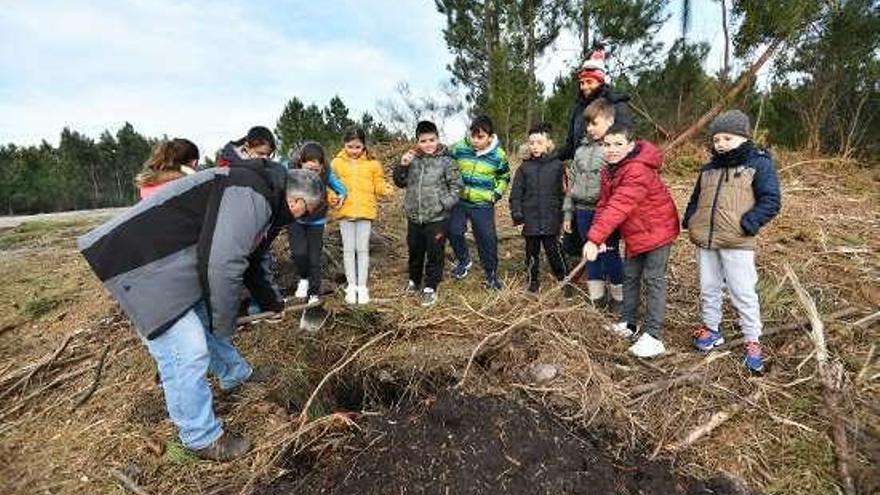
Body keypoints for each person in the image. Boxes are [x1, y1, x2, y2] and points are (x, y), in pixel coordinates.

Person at [78, 134, 325, 462]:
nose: (299, 217)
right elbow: (224, 263)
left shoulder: (263, 195)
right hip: (143, 264)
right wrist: (224, 324)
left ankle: (234, 375)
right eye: (304, 211)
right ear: (296, 202)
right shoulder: (253, 192)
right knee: (186, 350)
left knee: (204, 322)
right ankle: (199, 437)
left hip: (170, 264)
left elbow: (251, 259)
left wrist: (272, 304)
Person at [683, 110, 781, 373]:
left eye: (728, 138)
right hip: (705, 240)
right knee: (708, 287)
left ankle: (752, 341)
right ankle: (712, 330)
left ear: (743, 137)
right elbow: (696, 198)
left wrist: (748, 223)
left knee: (743, 292)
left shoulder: (758, 164)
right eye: (716, 139)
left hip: (738, 241)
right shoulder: (708, 169)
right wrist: (690, 219)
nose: (721, 144)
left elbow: (771, 200)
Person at [582, 123, 679, 358]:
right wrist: (599, 236)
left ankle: (654, 336)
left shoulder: (637, 169)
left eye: (618, 144)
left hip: (658, 229)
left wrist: (594, 239)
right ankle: (628, 323)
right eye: (607, 145)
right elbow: (605, 205)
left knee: (653, 279)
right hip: (636, 233)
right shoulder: (610, 170)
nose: (612, 149)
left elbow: (620, 204)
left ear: (631, 146)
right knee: (630, 275)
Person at [563, 99, 624, 312]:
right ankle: (597, 299)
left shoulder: (614, 149)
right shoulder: (580, 151)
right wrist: (568, 214)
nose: (589, 128)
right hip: (582, 211)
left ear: (610, 121)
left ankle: (618, 298)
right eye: (587, 124)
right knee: (590, 255)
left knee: (609, 253)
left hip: (605, 212)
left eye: (594, 123)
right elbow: (571, 183)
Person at [393, 120, 463, 306]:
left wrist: (444, 204)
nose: (428, 144)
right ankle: (414, 280)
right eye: (423, 141)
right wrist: (402, 165)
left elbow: (457, 187)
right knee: (415, 250)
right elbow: (400, 182)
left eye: (431, 140)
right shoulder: (412, 160)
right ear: (417, 142)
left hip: (437, 218)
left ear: (438, 139)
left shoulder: (446, 161)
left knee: (435, 252)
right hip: (414, 217)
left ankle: (430, 286)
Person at [331, 127, 394, 304]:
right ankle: (351, 286)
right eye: (350, 147)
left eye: (357, 147)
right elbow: (330, 185)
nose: (353, 151)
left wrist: (386, 190)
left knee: (363, 249)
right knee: (349, 250)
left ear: (364, 145)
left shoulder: (373, 164)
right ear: (344, 145)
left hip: (365, 212)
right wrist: (332, 198)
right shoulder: (336, 163)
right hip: (345, 212)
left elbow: (379, 184)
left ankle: (362, 286)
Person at [448, 115, 511, 290]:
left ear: (490, 137)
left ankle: (491, 273)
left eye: (480, 137)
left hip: (482, 203)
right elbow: (444, 157)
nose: (475, 140)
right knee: (453, 231)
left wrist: (494, 195)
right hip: (459, 200)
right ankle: (464, 261)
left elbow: (504, 176)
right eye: (473, 136)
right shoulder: (460, 147)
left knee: (487, 239)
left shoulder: (498, 155)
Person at [509, 123, 571, 297]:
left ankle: (564, 280)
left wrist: (563, 217)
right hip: (530, 220)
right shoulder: (523, 168)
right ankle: (532, 283)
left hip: (551, 219)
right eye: (532, 143)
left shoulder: (558, 166)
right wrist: (518, 217)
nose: (535, 146)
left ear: (548, 144)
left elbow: (564, 194)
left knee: (555, 252)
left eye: (539, 142)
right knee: (531, 254)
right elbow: (515, 195)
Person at [288, 142, 347, 305]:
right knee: (299, 253)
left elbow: (342, 190)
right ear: (300, 162)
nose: (312, 173)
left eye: (316, 170)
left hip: (317, 220)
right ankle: (304, 278)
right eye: (308, 169)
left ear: (322, 167)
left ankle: (314, 293)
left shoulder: (326, 174)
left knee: (315, 257)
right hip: (295, 219)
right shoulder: (290, 170)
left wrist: (339, 198)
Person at [557, 45, 633, 162]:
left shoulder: (616, 105)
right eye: (582, 83)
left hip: (606, 171)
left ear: (600, 81)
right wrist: (549, 157)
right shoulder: (577, 109)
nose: (584, 87)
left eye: (589, 82)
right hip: (581, 170)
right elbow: (570, 147)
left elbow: (623, 141)